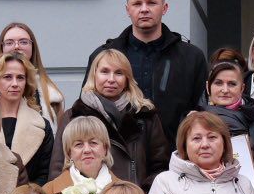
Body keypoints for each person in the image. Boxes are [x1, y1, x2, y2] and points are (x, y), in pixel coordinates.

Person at [89, 0, 209, 145]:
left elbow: (203, 110)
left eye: (151, 3)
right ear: (128, 10)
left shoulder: (191, 57)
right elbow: (88, 105)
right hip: (117, 156)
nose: (144, 9)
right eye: (137, 4)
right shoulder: (103, 56)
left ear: (164, 8)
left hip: (174, 157)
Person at [57, 48, 171, 186]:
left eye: (119, 73)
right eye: (104, 72)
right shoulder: (73, 116)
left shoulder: (145, 115)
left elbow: (160, 166)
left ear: (127, 79)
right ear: (94, 75)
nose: (111, 79)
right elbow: (59, 166)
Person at [0, 52, 54, 194]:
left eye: (20, 78)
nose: (14, 84)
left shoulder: (42, 126)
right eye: (7, 77)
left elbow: (45, 174)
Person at [201, 58, 254, 194]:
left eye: (232, 84)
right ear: (208, 87)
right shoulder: (192, 127)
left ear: (242, 88)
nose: (225, 90)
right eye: (218, 83)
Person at [43, 115, 115, 194]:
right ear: (69, 153)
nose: (86, 150)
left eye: (93, 143)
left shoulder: (126, 191)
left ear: (105, 149)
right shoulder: (48, 192)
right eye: (79, 144)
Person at [0, 20, 67, 127]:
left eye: (23, 42)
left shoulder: (51, 94)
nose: (16, 47)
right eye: (9, 42)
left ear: (33, 48)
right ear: (2, 48)